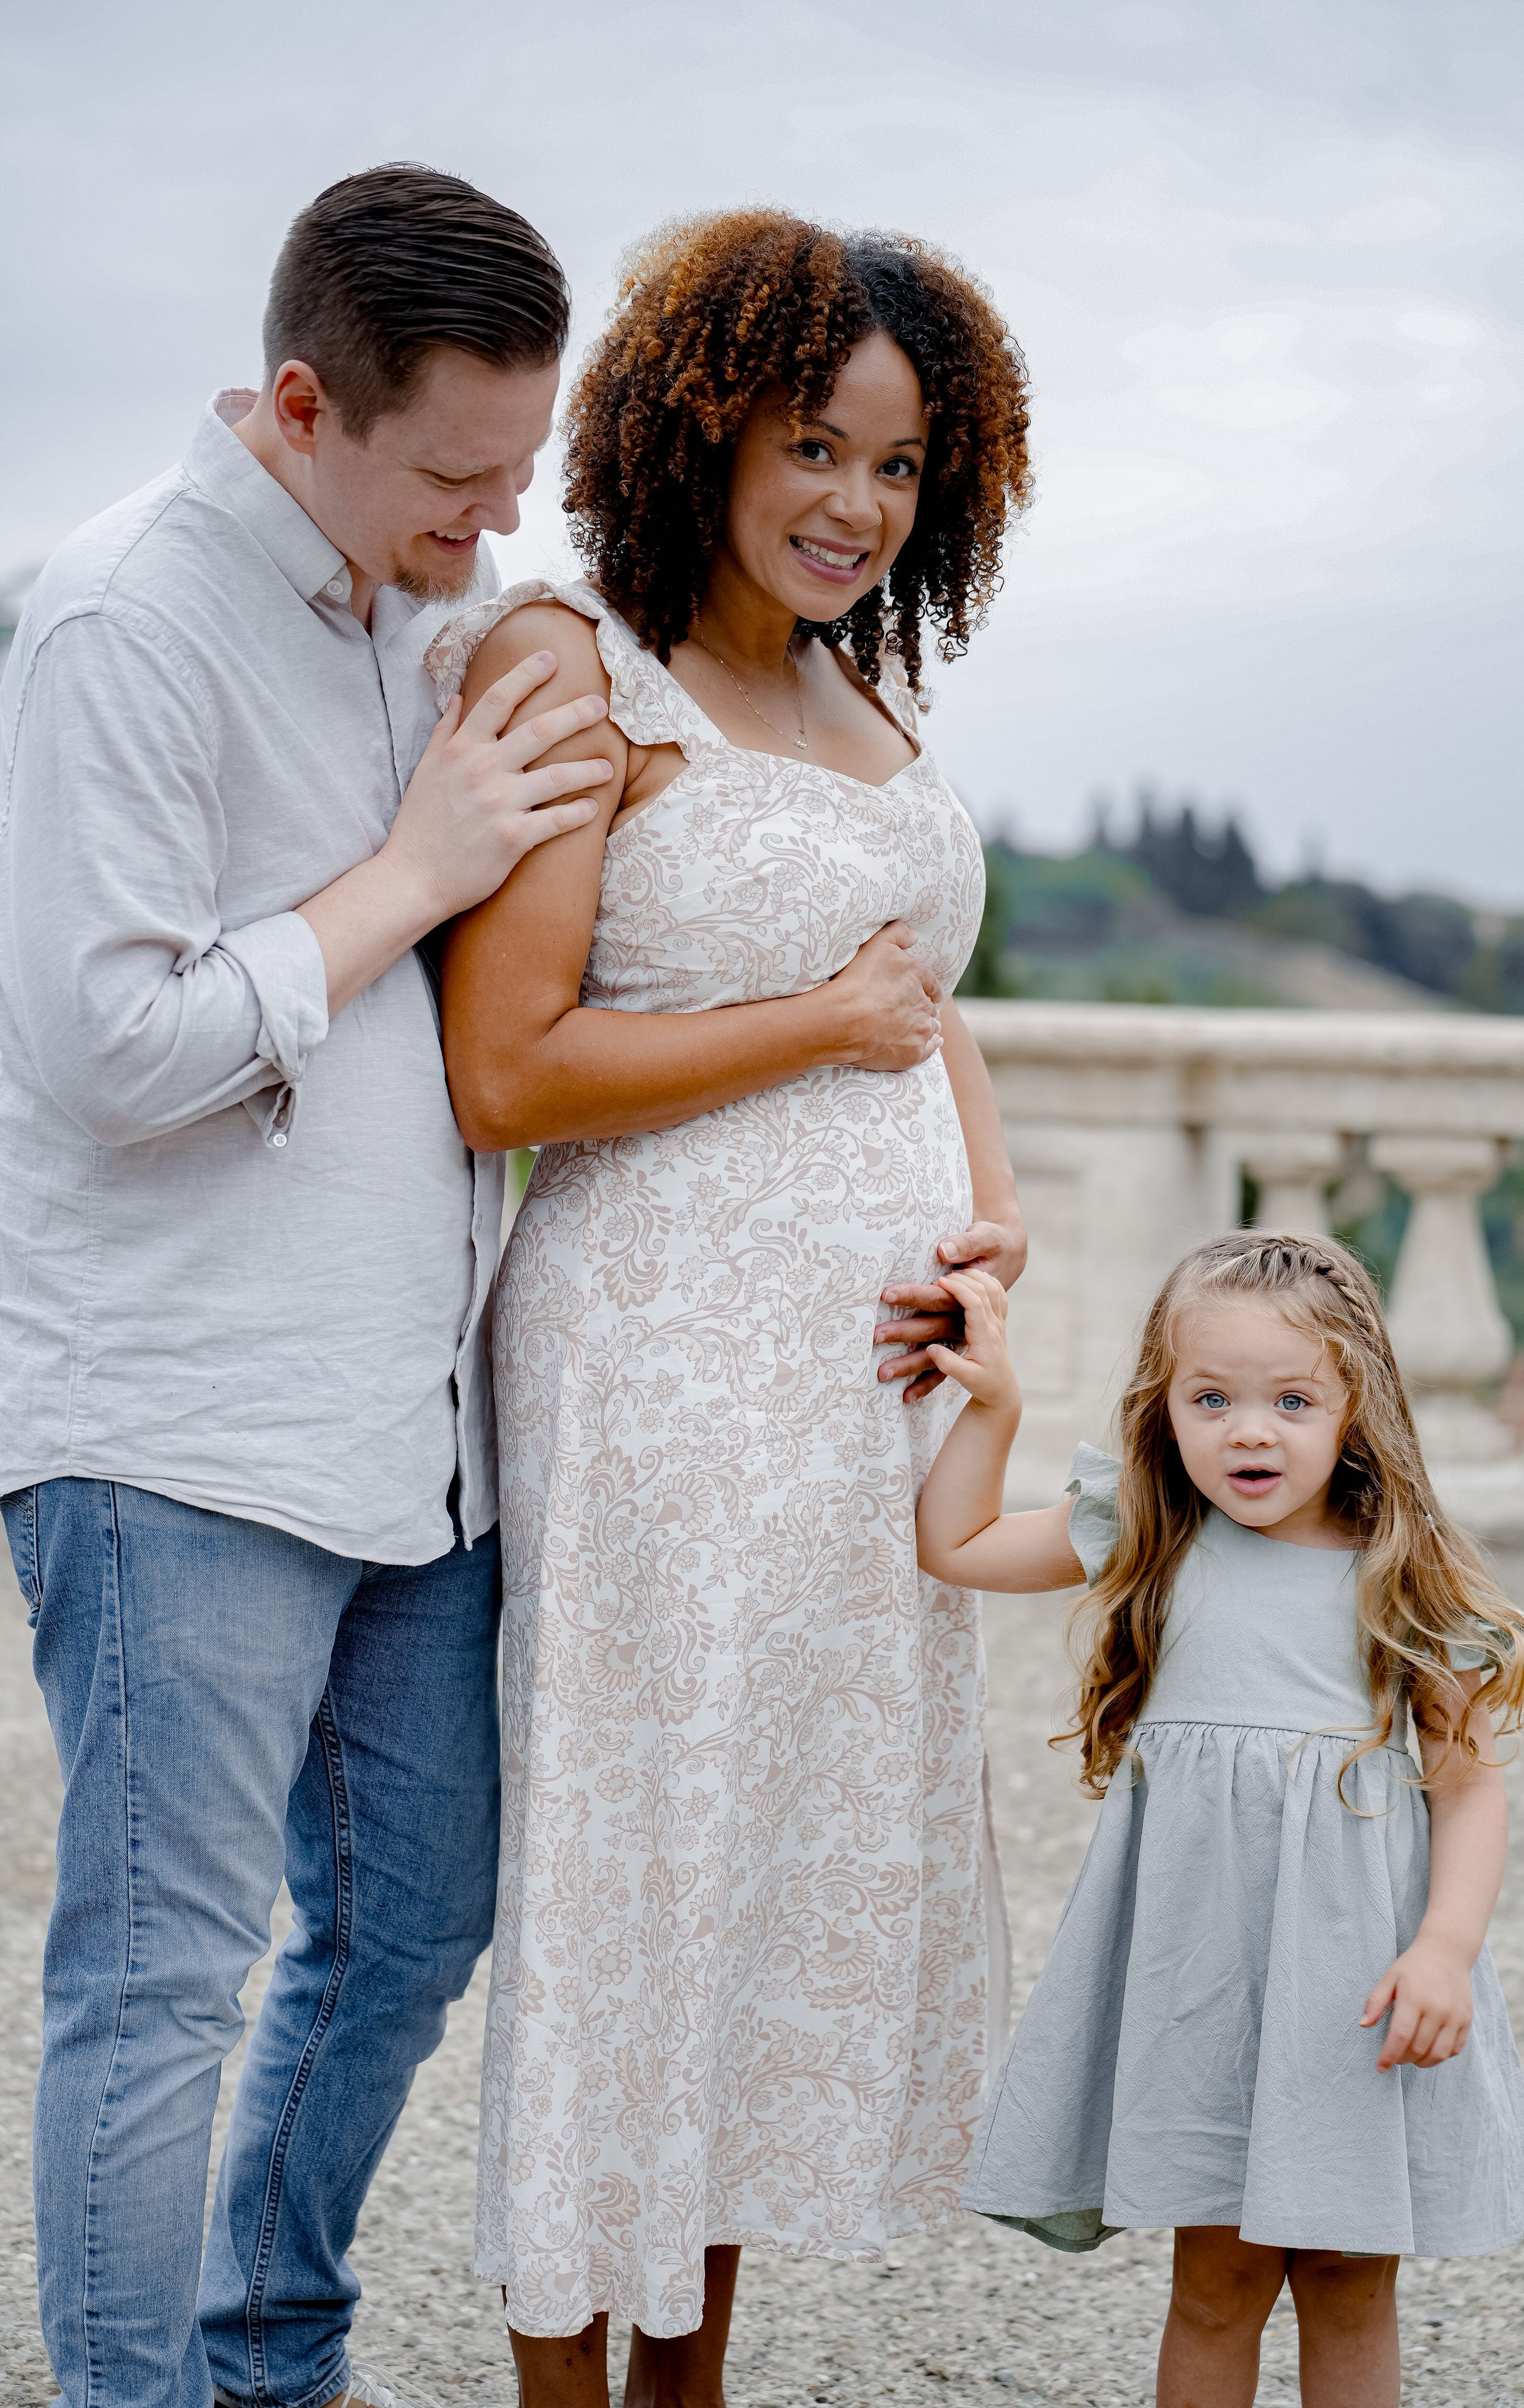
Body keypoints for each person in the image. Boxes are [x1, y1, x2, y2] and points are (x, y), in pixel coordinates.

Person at [0, 166, 616, 2408]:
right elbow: (110, 1052)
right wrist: (412, 876)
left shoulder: (414, 607)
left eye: (519, 473)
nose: (496, 522)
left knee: (413, 1929)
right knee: (159, 1981)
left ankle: (265, 2354)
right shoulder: (121, 623)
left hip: (407, 1433)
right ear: (298, 407)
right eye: (460, 479)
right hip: (171, 1430)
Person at [429, 208, 1033, 2402]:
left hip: (853, 1396)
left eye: (897, 467)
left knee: (765, 1908)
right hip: (659, 1380)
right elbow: (508, 1067)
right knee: (635, 1902)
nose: (857, 506)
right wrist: (821, 1028)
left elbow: (922, 998)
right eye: (814, 446)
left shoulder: (858, 685)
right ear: (696, 430)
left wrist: (992, 1210)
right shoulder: (577, 661)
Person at [916, 1233, 1524, 2408]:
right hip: (1203, 1989)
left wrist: (1446, 1951)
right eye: (1210, 1398)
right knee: (1213, 2281)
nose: (1248, 1431)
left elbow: (1467, 1786)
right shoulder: (1150, 1537)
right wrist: (995, 1404)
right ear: (1164, 1410)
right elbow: (951, 1546)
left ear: (1356, 1407)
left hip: (1356, 1989)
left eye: (1291, 1399)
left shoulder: (1397, 1576)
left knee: (1347, 2276)